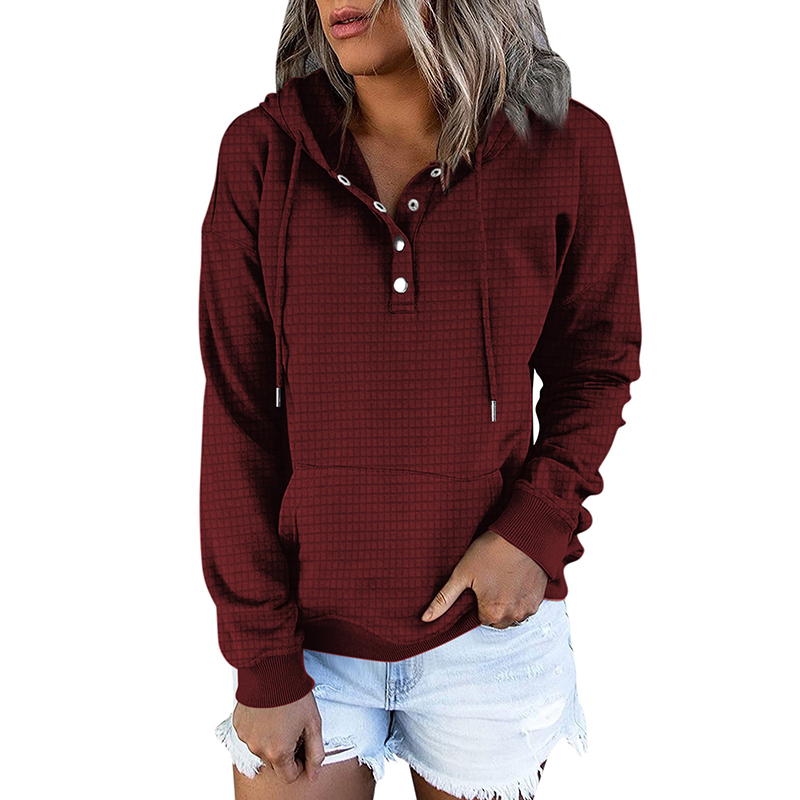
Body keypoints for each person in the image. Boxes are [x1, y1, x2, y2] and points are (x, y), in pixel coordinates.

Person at [198, 1, 642, 798]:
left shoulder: (565, 147)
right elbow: (238, 416)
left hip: (489, 633)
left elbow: (598, 363)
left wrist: (535, 528)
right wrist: (262, 655)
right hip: (306, 641)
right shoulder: (262, 155)